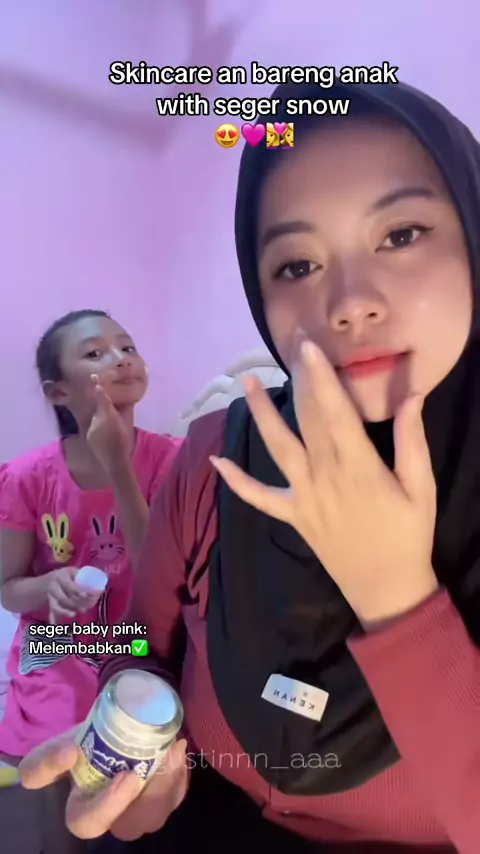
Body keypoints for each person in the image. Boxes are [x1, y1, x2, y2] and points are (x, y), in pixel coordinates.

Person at [18, 79, 480, 853]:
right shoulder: (213, 457)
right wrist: (141, 747)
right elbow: (143, 645)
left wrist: (397, 598)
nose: (349, 302)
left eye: (402, 234)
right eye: (296, 266)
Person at [0, 309, 181, 760]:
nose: (121, 359)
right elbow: (8, 590)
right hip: (56, 641)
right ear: (58, 392)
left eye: (128, 347)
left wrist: (118, 466)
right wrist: (47, 585)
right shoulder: (26, 477)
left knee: (139, 736)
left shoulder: (174, 460)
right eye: (96, 354)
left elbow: (159, 574)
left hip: (140, 637)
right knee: (59, 747)